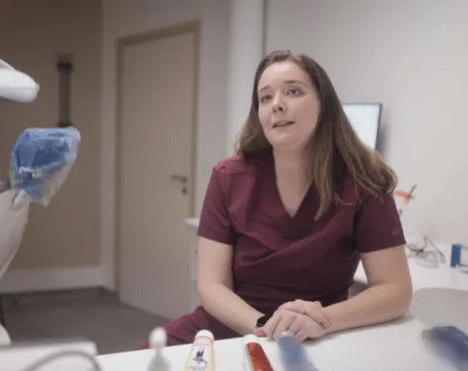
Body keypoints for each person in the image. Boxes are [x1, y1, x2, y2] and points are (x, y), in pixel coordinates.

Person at [160, 50, 412, 345]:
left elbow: (395, 290)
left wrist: (320, 322)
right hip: (234, 326)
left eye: (293, 91)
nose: (277, 104)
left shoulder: (364, 180)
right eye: (265, 98)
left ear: (325, 105)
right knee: (136, 370)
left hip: (318, 334)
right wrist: (267, 328)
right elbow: (212, 285)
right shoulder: (228, 177)